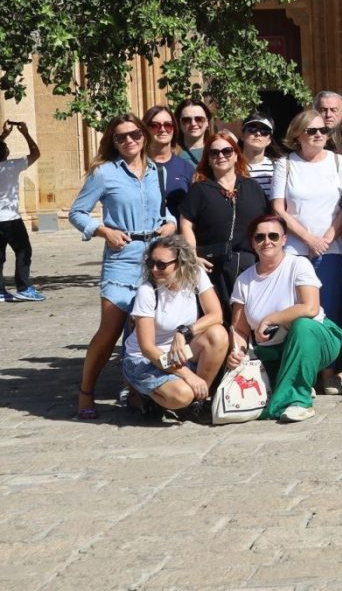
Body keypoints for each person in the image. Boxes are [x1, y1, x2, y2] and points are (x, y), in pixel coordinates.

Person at [69, 114, 177, 419]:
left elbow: (162, 210)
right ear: (113, 142)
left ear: (144, 135)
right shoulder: (104, 173)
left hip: (155, 259)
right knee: (110, 330)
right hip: (122, 259)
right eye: (121, 137)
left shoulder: (157, 171)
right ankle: (85, 392)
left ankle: (134, 393)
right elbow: (77, 213)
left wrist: (169, 223)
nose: (129, 141)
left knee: (141, 329)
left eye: (134, 134)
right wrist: (104, 231)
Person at [227, 214, 342, 422]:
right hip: (272, 350)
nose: (267, 241)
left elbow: (310, 307)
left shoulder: (299, 265)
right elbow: (240, 329)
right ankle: (299, 385)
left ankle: (299, 402)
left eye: (273, 235)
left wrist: (272, 318)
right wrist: (238, 351)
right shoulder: (244, 280)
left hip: (316, 340)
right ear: (252, 243)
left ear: (284, 239)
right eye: (259, 237)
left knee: (302, 325)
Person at [270, 109, 342, 393]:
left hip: (331, 248)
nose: (320, 135)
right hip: (295, 249)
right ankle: (301, 371)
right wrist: (308, 238)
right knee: (298, 312)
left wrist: (328, 237)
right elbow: (278, 208)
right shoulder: (286, 164)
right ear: (298, 135)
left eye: (324, 131)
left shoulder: (338, 162)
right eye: (312, 131)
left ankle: (328, 371)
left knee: (328, 310)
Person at [121, 236, 228, 418]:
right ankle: (147, 395)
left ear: (180, 263)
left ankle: (197, 402)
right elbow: (147, 349)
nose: (154, 269)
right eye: (151, 263)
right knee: (182, 395)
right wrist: (186, 374)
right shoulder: (147, 291)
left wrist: (184, 332)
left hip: (178, 351)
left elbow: (216, 315)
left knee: (218, 334)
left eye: (161, 265)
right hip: (146, 360)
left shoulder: (195, 275)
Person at [178, 130, 269, 309]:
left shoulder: (252, 187)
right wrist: (193, 255)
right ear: (208, 159)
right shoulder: (199, 190)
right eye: (214, 152)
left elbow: (266, 223)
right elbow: (186, 224)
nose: (221, 156)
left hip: (249, 266)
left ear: (236, 155)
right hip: (211, 266)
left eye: (227, 151)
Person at [0, 120, 44, 302]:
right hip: (10, 218)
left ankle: (0, 291)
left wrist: (3, 136)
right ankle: (24, 287)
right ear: (6, 153)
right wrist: (24, 133)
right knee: (24, 250)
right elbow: (35, 153)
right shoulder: (11, 166)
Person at [143, 105, 196, 218]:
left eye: (168, 125)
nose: (162, 129)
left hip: (178, 234)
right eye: (155, 126)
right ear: (145, 129)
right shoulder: (136, 166)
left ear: (174, 129)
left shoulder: (186, 168)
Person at [240, 113, 280, 200]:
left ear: (269, 140)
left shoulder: (278, 167)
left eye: (264, 131)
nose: (258, 133)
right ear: (242, 135)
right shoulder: (231, 166)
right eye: (252, 129)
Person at [174, 98, 212, 164]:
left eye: (199, 119)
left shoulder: (219, 151)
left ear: (207, 122)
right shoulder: (170, 154)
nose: (193, 124)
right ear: (179, 124)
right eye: (186, 120)